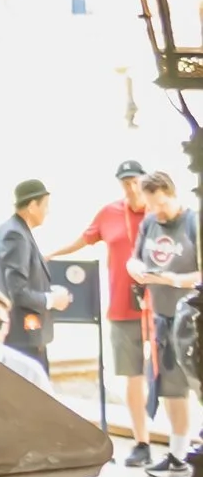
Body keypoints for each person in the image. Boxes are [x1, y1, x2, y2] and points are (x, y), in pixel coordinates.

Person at [54, 163, 154, 456]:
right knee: (132, 375)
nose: (131, 188)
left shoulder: (158, 213)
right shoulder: (109, 212)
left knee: (170, 377)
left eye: (135, 181)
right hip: (123, 308)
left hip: (158, 307)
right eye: (125, 183)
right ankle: (142, 440)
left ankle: (179, 444)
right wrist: (49, 254)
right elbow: (82, 241)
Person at [130, 167, 200, 473]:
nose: (156, 211)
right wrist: (134, 267)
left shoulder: (193, 222)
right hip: (162, 315)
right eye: (150, 205)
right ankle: (177, 454)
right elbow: (135, 256)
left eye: (161, 204)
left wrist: (175, 280)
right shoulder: (148, 224)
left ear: (172, 195)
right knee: (171, 387)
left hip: (193, 317)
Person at [0, 181, 60, 369]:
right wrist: (52, 300)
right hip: (24, 338)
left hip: (23, 337)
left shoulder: (13, 231)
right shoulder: (15, 234)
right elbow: (18, 291)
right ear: (32, 206)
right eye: (45, 205)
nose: (47, 211)